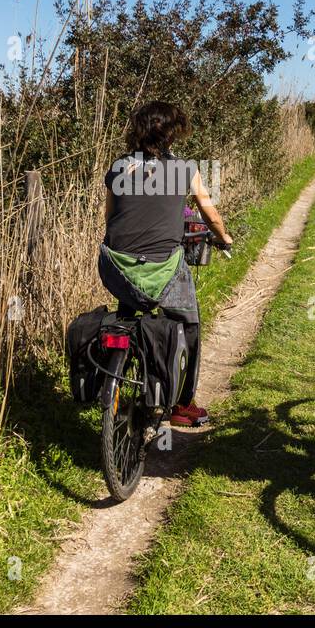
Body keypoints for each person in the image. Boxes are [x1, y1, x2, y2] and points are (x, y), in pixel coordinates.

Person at [100, 101, 233, 427]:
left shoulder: (119, 167)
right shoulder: (184, 169)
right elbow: (209, 212)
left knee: (129, 301)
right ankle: (182, 405)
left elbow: (110, 217)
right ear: (171, 135)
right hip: (163, 268)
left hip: (115, 265)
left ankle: (115, 380)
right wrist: (224, 238)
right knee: (189, 324)